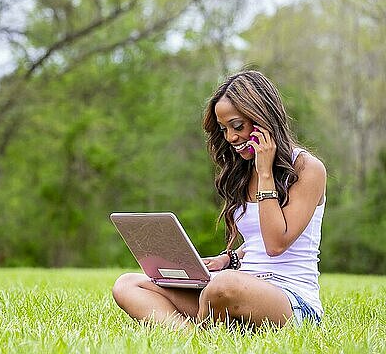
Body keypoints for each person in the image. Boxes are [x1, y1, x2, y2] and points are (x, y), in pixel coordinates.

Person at [112, 70, 325, 328]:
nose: (231, 138)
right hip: (233, 292)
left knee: (224, 284)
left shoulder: (307, 169)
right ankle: (190, 338)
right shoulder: (244, 171)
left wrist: (266, 172)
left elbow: (276, 244)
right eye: (224, 129)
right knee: (127, 284)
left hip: (292, 301)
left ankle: (205, 331)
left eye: (237, 126)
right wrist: (229, 259)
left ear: (262, 118)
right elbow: (257, 241)